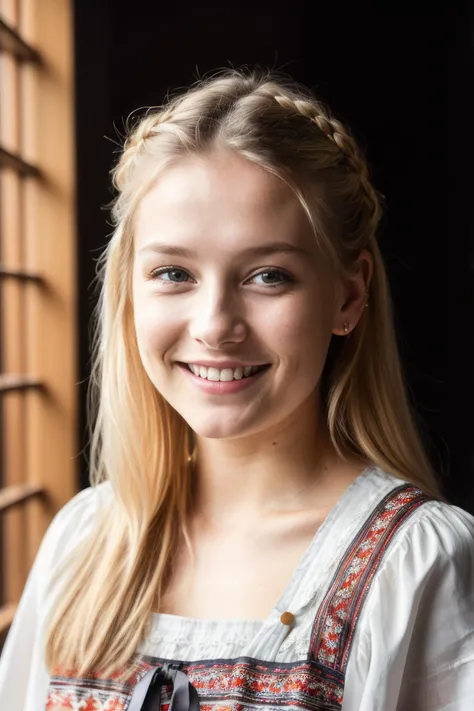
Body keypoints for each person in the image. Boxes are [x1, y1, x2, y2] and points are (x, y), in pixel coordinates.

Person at [0, 66, 472, 711]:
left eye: (269, 276)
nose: (216, 325)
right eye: (173, 272)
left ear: (350, 295)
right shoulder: (84, 544)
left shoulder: (418, 565)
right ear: (128, 293)